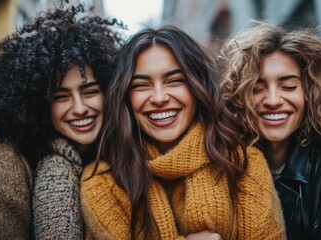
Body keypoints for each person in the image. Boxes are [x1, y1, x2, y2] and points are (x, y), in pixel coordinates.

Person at [80, 25, 286, 240]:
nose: (159, 98)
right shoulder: (102, 183)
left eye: (175, 80)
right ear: (125, 98)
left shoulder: (243, 163)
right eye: (141, 85)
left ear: (198, 87)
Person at [0, 5, 124, 239]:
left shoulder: (126, 155)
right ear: (40, 104)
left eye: (90, 91)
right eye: (60, 96)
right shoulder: (4, 163)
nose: (80, 109)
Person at [221, 22, 321, 239]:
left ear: (311, 93)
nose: (272, 100)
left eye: (288, 86)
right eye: (256, 88)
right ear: (239, 97)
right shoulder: (223, 164)